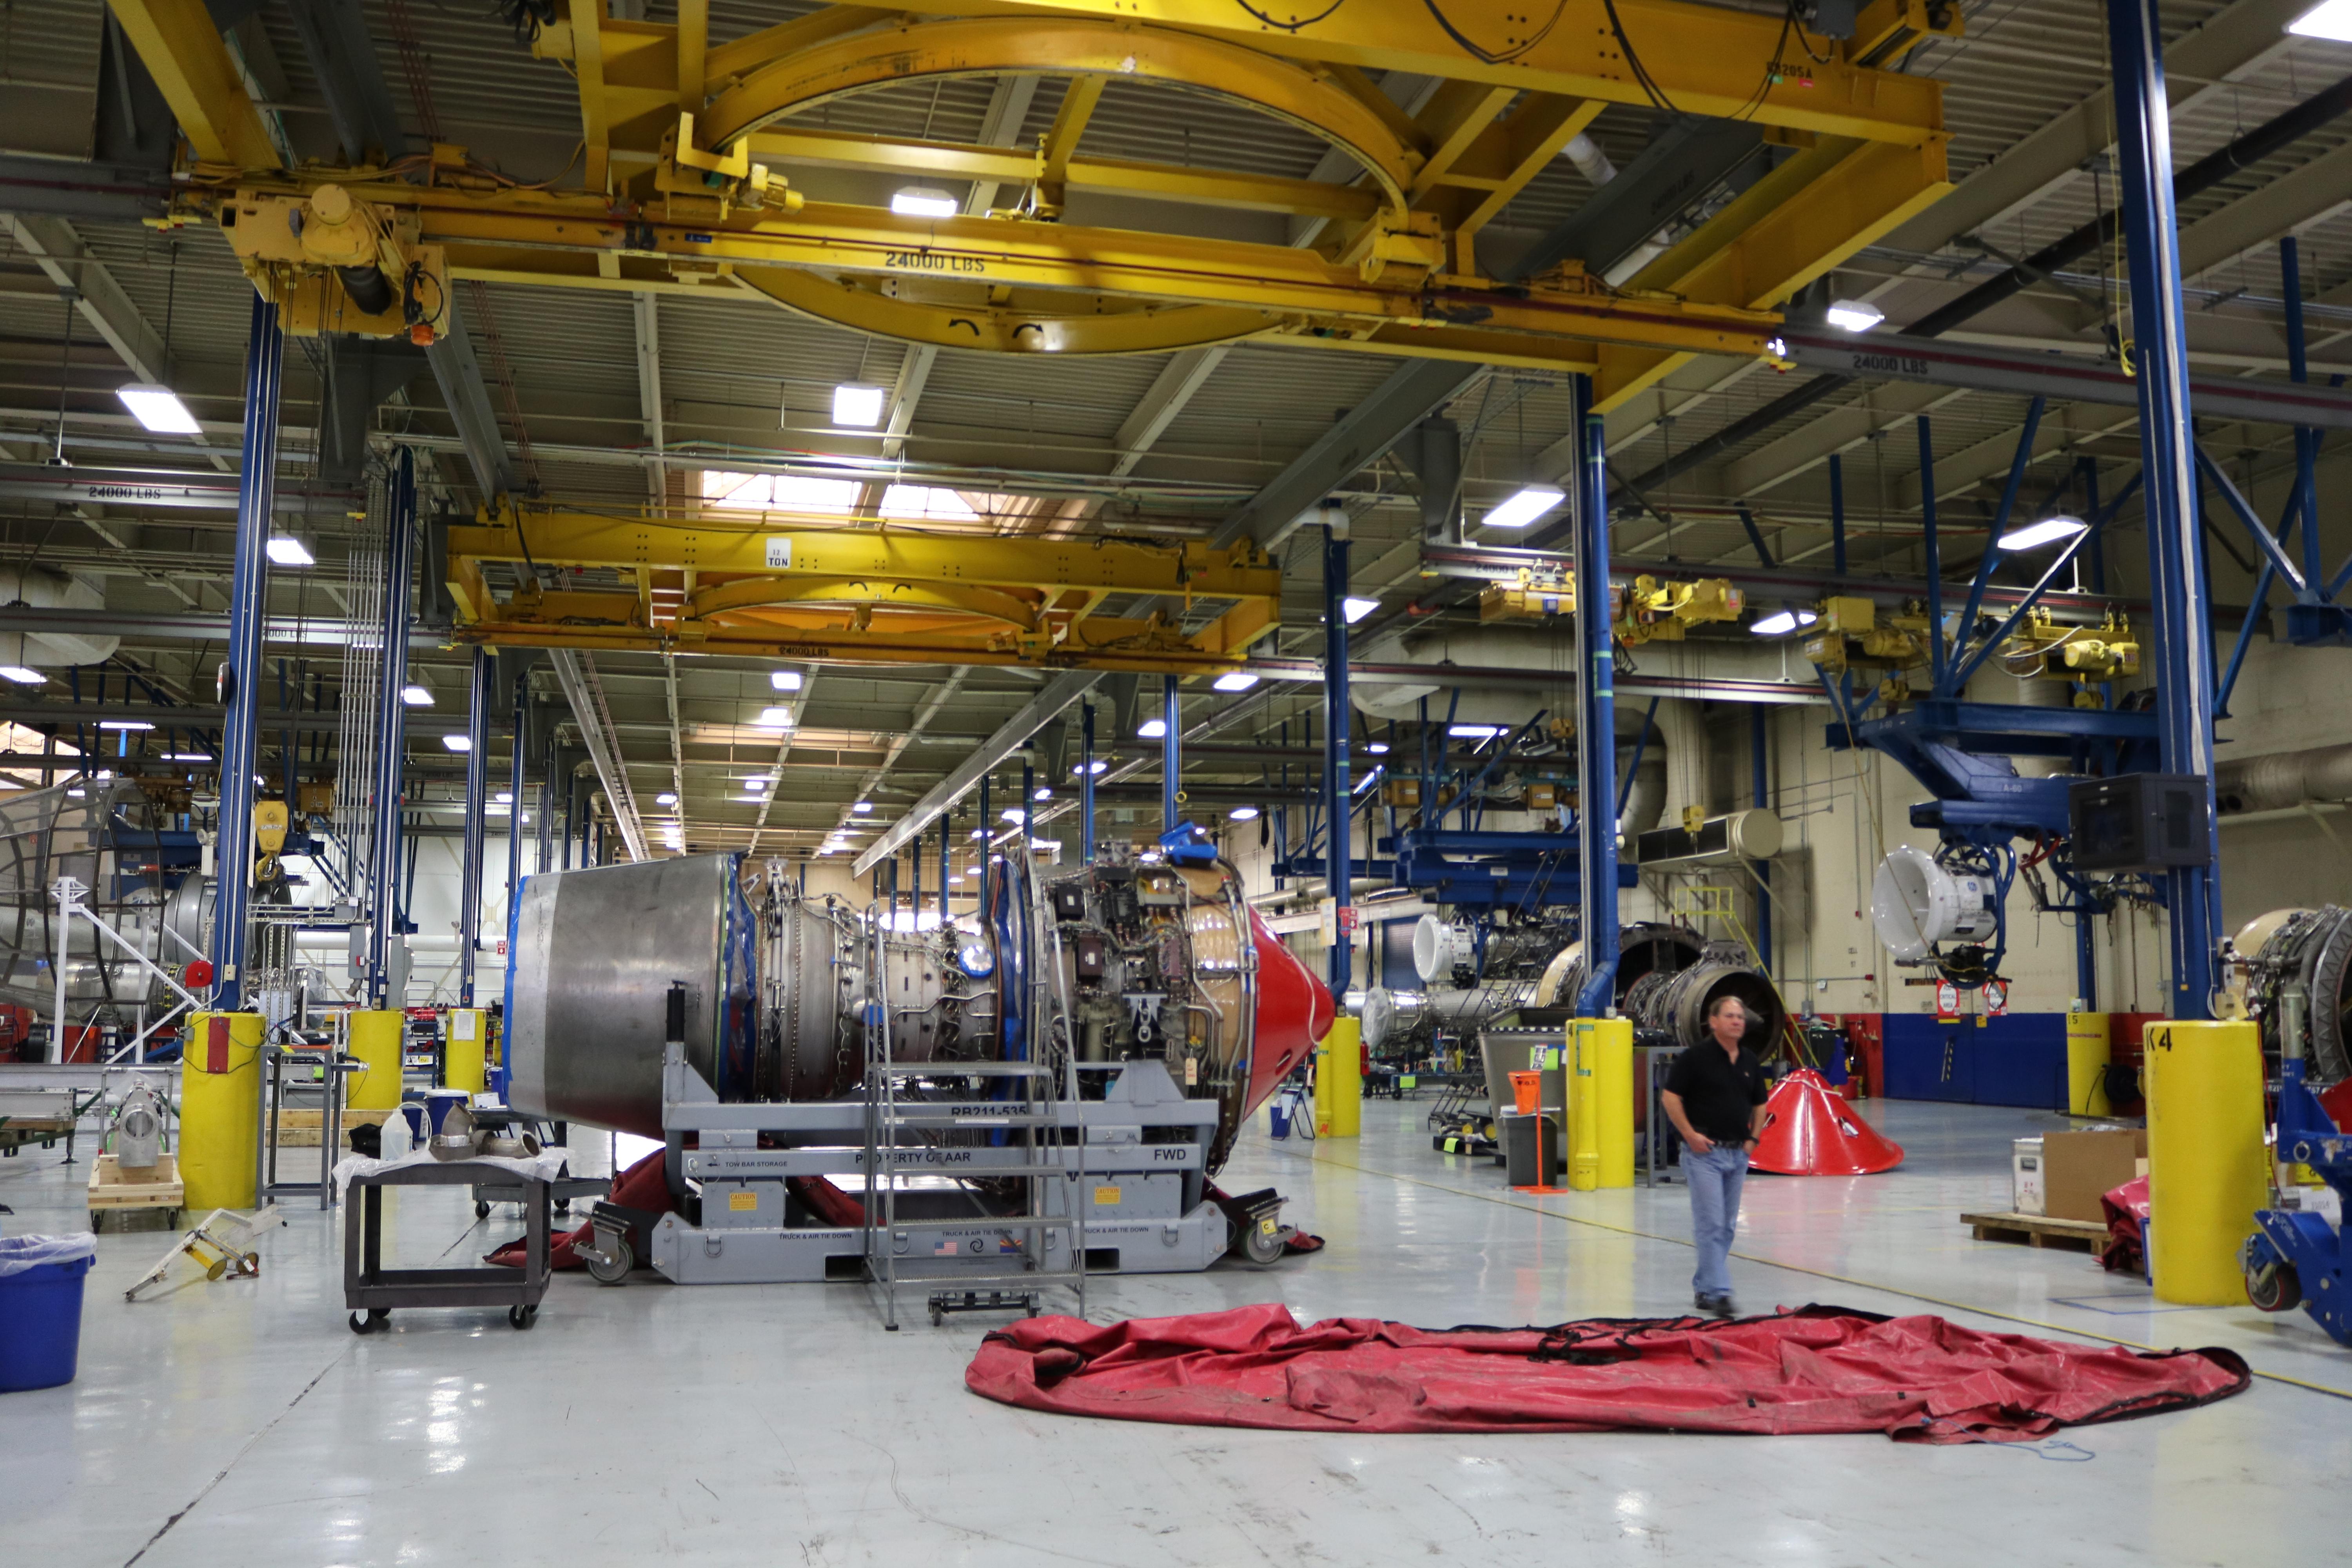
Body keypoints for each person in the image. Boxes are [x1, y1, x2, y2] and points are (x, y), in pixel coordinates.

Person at [1660, 994, 1769, 1318]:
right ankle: (1720, 1293)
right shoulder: (1695, 1058)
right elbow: (1670, 1098)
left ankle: (1705, 1287)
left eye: (1741, 1017)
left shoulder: (1749, 1060)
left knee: (1726, 1228)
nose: (1737, 1021)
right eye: (1730, 1016)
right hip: (1704, 1155)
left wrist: (1753, 1139)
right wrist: (1690, 1135)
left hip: (1737, 1155)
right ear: (1713, 1022)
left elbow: (1760, 1104)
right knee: (1711, 1224)